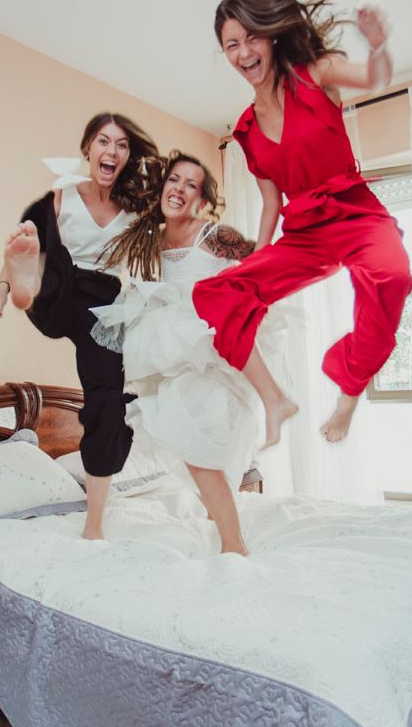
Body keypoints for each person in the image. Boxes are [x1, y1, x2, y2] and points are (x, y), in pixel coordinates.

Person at [194, 0, 412, 447]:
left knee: (391, 276)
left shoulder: (315, 73)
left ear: (272, 37)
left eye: (251, 37)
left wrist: (378, 46)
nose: (243, 52)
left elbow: (375, 77)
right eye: (231, 45)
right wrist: (257, 259)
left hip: (356, 213)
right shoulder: (247, 130)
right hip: (304, 233)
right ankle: (276, 399)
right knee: (216, 293)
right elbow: (271, 201)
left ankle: (349, 383)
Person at [0, 113, 160, 540]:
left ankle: (94, 522)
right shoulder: (58, 198)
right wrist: (2, 286)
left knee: (107, 402)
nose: (112, 151)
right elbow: (23, 242)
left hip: (105, 304)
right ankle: (26, 283)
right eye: (104, 142)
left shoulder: (136, 205)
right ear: (88, 148)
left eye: (122, 145)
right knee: (48, 258)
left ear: (128, 155)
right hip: (58, 288)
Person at [91, 151, 274, 556]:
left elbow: (262, 261)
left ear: (202, 202)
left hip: (209, 348)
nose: (180, 189)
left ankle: (233, 542)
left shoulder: (215, 235)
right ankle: (226, 533)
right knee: (195, 438)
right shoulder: (150, 239)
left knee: (201, 440)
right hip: (173, 353)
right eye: (174, 179)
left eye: (192, 185)